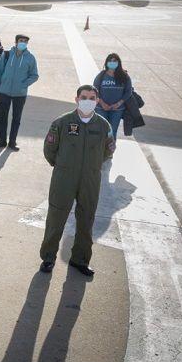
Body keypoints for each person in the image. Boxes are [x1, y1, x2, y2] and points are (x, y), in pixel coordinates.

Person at [40, 85, 115, 276]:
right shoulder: (62, 122)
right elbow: (49, 150)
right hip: (64, 177)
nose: (88, 101)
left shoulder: (103, 125)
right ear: (76, 99)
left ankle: (80, 259)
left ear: (97, 101)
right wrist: (63, 167)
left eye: (92, 98)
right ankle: (48, 258)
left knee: (86, 218)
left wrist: (92, 166)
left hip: (90, 178)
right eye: (84, 97)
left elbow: (108, 151)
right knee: (56, 218)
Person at [0, 34, 39, 151]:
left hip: (20, 94)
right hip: (4, 92)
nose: (23, 43)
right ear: (16, 42)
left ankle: (12, 142)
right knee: (2, 117)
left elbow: (34, 75)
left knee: (16, 118)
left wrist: (23, 84)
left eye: (25, 41)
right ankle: (2, 140)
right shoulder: (7, 55)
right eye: (21, 41)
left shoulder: (30, 58)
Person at [93, 53, 132, 139]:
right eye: (110, 61)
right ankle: (101, 150)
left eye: (114, 61)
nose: (112, 62)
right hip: (101, 108)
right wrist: (102, 104)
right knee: (102, 130)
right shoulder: (101, 75)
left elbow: (128, 92)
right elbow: (94, 91)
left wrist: (118, 104)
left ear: (118, 63)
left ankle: (110, 151)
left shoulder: (124, 76)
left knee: (113, 131)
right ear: (106, 63)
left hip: (117, 109)